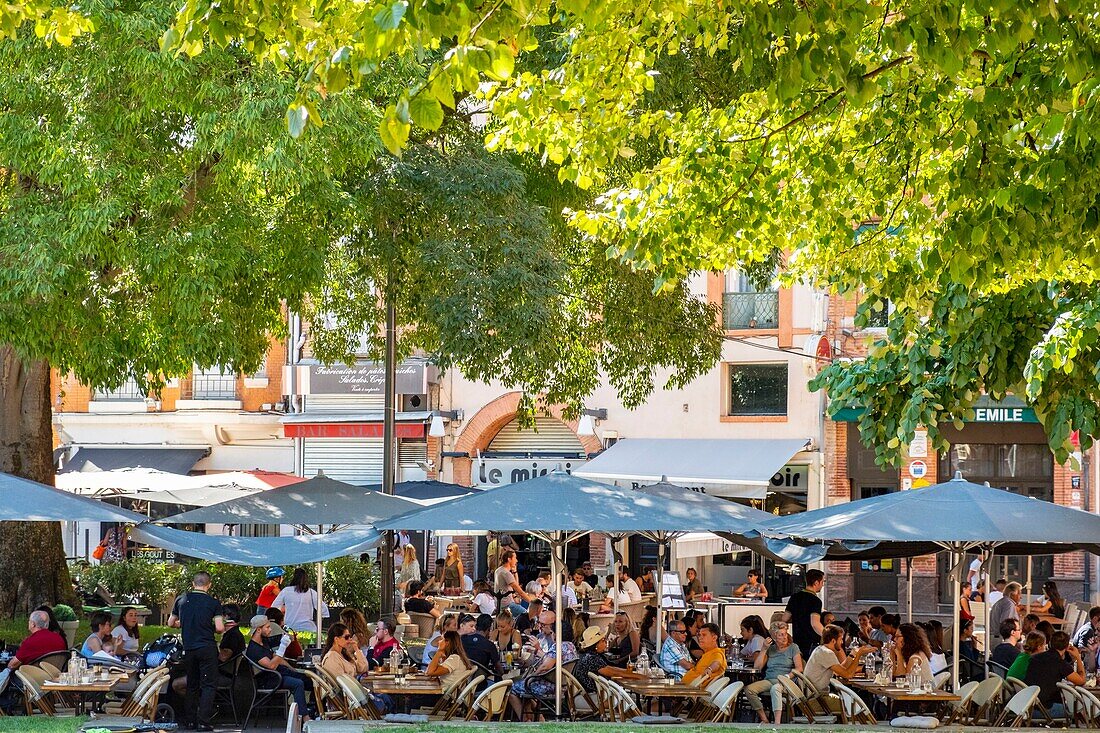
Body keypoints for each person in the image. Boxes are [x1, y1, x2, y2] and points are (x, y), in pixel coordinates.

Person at [168, 571, 225, 731]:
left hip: (189, 648)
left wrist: (185, 624)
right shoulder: (213, 603)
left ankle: (190, 721)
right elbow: (220, 627)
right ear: (209, 585)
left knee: (192, 684)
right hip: (207, 648)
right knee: (208, 685)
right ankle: (203, 722)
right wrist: (210, 627)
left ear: (193, 584)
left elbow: (171, 622)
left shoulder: (181, 599)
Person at [507, 611, 578, 720]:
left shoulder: (558, 646)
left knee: (512, 689)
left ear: (556, 633)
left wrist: (533, 676)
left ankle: (525, 721)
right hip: (562, 685)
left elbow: (546, 666)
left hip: (550, 685)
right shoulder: (571, 646)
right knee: (524, 689)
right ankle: (535, 719)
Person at [245, 615, 311, 721]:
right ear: (258, 630)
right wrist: (282, 647)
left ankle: (316, 709)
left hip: (279, 673)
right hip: (269, 679)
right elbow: (272, 665)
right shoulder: (254, 649)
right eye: (267, 627)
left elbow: (276, 657)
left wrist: (292, 669)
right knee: (298, 683)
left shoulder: (264, 641)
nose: (270, 629)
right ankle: (305, 717)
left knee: (309, 679)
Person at [804, 625, 874, 705]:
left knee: (856, 699)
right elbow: (848, 675)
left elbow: (839, 671)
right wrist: (858, 655)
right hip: (818, 700)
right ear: (833, 641)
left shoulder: (821, 649)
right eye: (841, 639)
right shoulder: (827, 653)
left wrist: (852, 655)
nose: (842, 642)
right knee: (857, 702)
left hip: (815, 696)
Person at [746, 620, 800, 723]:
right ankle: (764, 719)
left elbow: (799, 668)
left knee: (775, 688)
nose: (785, 637)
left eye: (785, 634)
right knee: (749, 689)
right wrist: (763, 649)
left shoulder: (793, 647)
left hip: (785, 681)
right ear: (774, 637)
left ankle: (777, 722)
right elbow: (758, 667)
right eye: (781, 635)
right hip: (769, 680)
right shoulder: (771, 649)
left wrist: (788, 677)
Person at [1024, 630, 1086, 716]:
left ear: (1050, 644)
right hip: (1044, 709)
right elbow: (1081, 681)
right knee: (1077, 710)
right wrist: (1078, 658)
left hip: (1027, 705)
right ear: (1067, 646)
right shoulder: (1060, 663)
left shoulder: (1034, 658)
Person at [573, 626, 647, 694]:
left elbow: (610, 668)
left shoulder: (589, 655)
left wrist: (632, 672)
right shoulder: (591, 658)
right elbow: (614, 673)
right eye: (603, 640)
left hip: (585, 695)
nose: (606, 641)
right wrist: (639, 676)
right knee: (625, 700)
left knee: (624, 698)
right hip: (589, 698)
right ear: (596, 645)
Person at [272, 567, 329, 632]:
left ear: (294, 578)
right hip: (309, 629)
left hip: (290, 629)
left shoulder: (286, 591)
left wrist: (281, 620)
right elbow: (324, 610)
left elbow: (273, 608)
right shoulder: (311, 592)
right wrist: (317, 623)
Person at [785, 569, 825, 655]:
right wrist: (827, 636)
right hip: (811, 643)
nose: (823, 585)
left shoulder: (794, 597)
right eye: (822, 582)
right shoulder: (815, 601)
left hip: (797, 641)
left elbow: (785, 618)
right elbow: (815, 624)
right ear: (816, 583)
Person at [458, 613, 503, 677]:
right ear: (489, 629)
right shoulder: (489, 645)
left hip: (461, 679)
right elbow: (500, 670)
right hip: (480, 681)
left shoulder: (462, 639)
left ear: (476, 626)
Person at [495, 549, 535, 617]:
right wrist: (532, 603)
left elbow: (516, 584)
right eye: (515, 558)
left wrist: (515, 572)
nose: (517, 560)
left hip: (501, 603)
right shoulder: (506, 573)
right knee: (528, 616)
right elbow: (519, 590)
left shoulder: (499, 570)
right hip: (507, 604)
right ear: (509, 559)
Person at [892, 623, 933, 687]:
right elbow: (894, 675)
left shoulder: (915, 658)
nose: (894, 639)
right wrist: (891, 655)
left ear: (907, 638)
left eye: (897, 637)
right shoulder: (908, 653)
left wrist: (899, 654)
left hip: (924, 693)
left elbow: (902, 678)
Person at [1071, 606, 1100, 673]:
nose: (1095, 633)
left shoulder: (1088, 627)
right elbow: (1090, 669)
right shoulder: (1089, 630)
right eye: (1097, 630)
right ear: (1095, 618)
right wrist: (1091, 652)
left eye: (1098, 630)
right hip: (1080, 664)